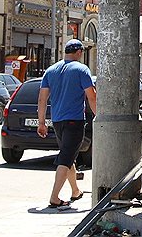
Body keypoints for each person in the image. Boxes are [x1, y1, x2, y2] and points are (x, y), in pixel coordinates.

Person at [37, 38, 96, 210]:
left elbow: (42, 99)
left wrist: (41, 123)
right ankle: (54, 197)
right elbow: (91, 96)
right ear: (79, 52)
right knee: (66, 157)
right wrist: (99, 116)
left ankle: (75, 191)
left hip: (57, 121)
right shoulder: (82, 69)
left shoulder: (51, 70)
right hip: (74, 121)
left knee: (69, 156)